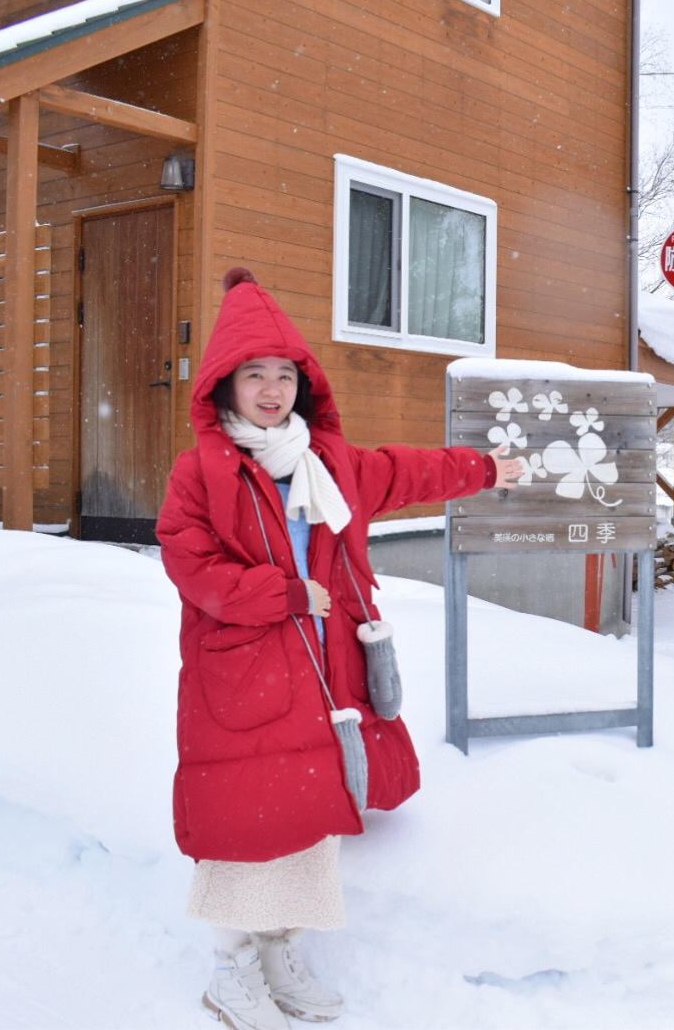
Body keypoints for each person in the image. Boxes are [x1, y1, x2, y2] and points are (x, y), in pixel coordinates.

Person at [157, 268, 521, 1029]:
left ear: (303, 384)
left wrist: (486, 468)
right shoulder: (202, 472)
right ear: (225, 385)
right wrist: (284, 596)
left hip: (325, 677)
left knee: (302, 819)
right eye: (254, 375)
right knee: (241, 828)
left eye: (283, 375)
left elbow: (410, 471)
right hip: (245, 681)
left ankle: (282, 952)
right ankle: (232, 971)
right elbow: (192, 568)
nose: (270, 390)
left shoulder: (328, 464)